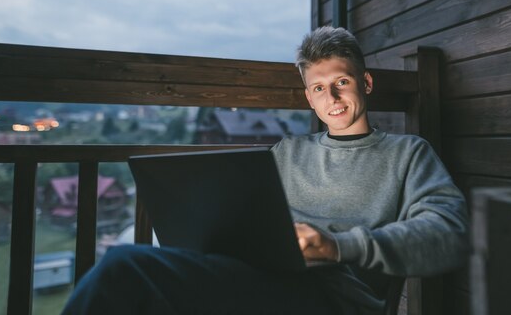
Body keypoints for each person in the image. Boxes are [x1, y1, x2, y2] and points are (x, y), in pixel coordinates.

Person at [62, 26, 469, 314]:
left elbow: (448, 235)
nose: (332, 97)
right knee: (131, 276)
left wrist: (337, 246)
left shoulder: (407, 153)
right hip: (258, 284)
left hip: (332, 299)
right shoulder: (286, 153)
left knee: (124, 270)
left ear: (365, 83)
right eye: (318, 88)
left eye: (341, 81)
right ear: (309, 98)